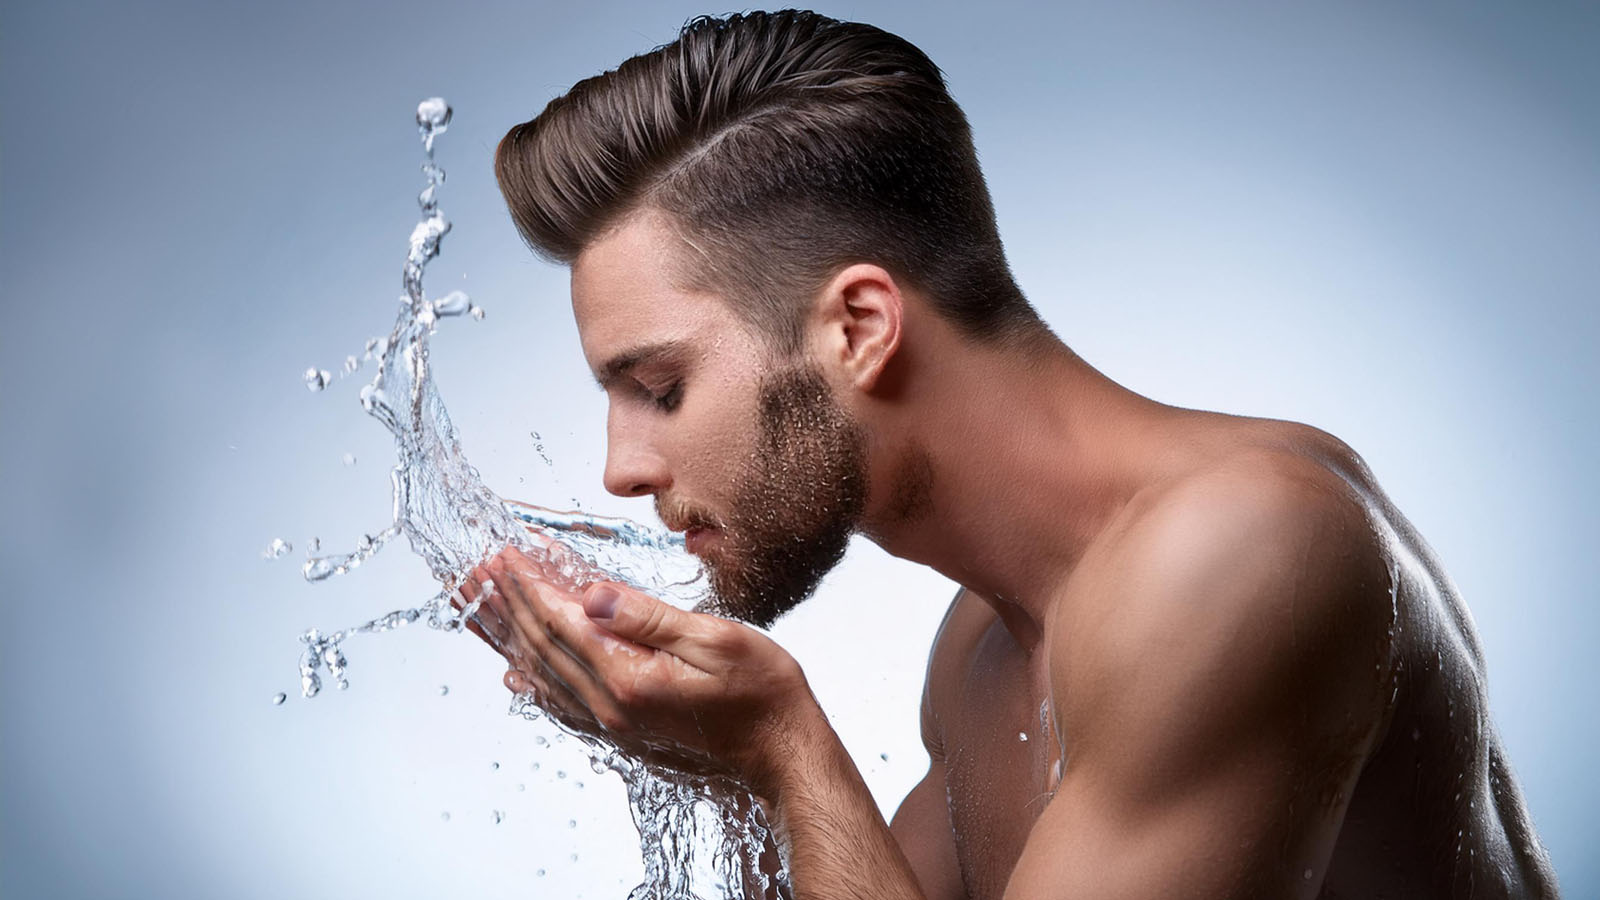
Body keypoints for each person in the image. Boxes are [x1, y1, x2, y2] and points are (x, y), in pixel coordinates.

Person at [463, 10, 1560, 898]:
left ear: (857, 328)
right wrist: (727, 775)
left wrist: (783, 750)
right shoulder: (984, 647)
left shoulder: (1235, 552)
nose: (622, 468)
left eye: (660, 389)